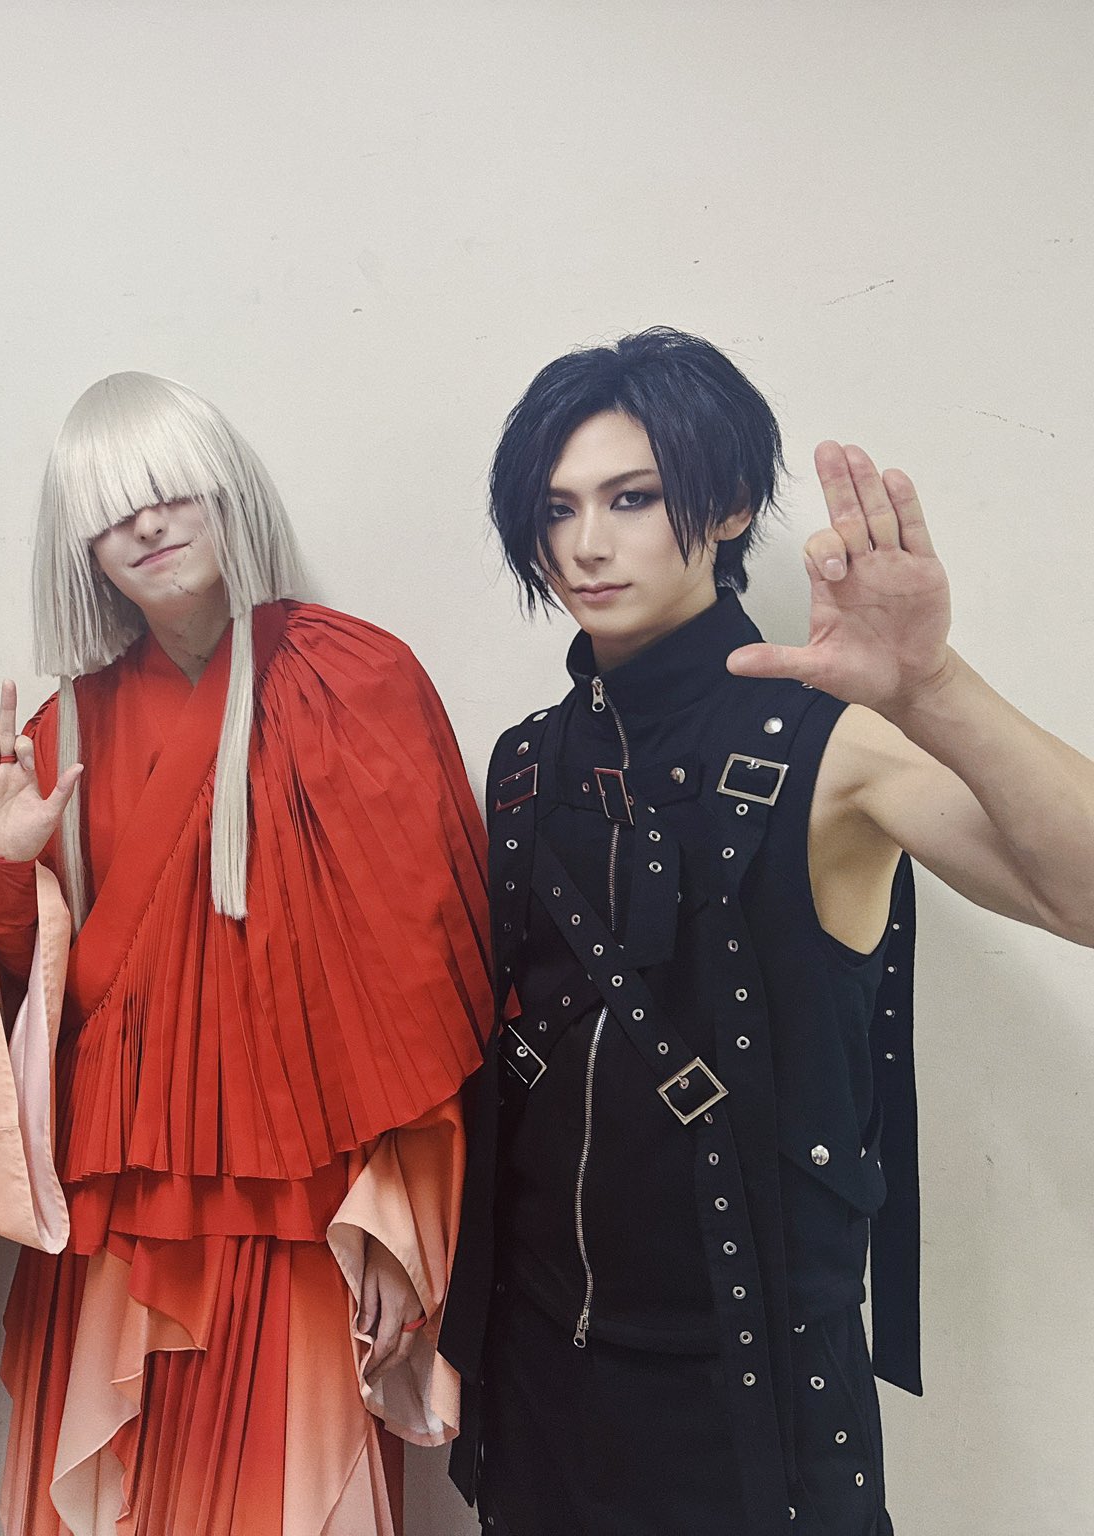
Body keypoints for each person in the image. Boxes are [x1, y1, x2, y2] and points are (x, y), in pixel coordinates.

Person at [441, 328, 1094, 1535]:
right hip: (536, 1372)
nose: (585, 544)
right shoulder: (525, 764)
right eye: (555, 508)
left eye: (631, 498)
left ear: (729, 502)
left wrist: (933, 688)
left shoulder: (831, 744)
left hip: (749, 1395)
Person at [0, 371, 490, 1536]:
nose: (145, 524)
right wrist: (1, 865)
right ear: (81, 547)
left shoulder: (358, 681)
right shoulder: (65, 728)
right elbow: (28, 1008)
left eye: (170, 490)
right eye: (110, 509)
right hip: (115, 1215)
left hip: (304, 1212)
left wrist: (399, 1212)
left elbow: (421, 976)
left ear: (227, 489)